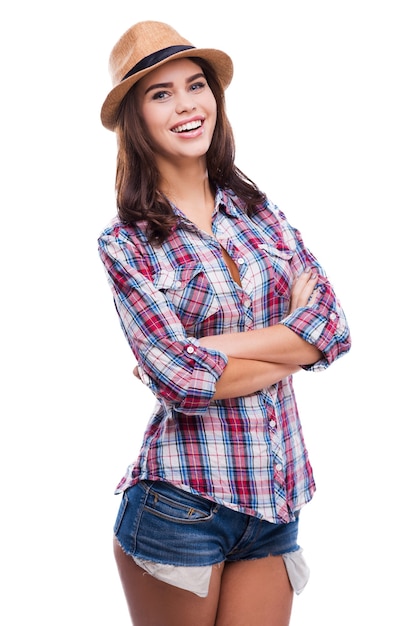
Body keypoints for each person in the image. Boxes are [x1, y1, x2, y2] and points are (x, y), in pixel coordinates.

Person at [97, 20, 351, 626]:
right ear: (136, 118)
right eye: (161, 94)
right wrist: (295, 347)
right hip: (180, 504)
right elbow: (182, 383)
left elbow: (333, 327)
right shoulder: (125, 245)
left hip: (275, 504)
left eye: (195, 86)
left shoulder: (260, 214)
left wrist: (207, 347)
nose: (186, 105)